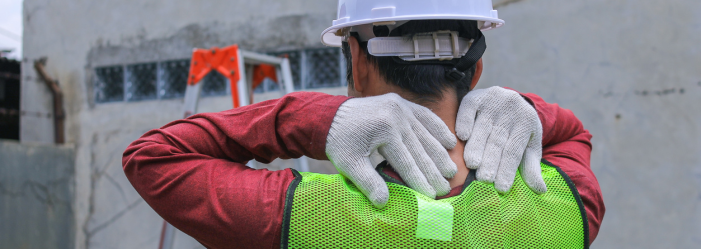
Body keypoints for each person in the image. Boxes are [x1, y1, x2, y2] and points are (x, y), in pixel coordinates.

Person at [123, 0, 604, 248]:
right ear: (476, 70)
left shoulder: (304, 217)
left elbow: (154, 158)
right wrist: (527, 108)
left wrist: (314, 117)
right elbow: (574, 136)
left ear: (355, 62)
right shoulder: (563, 206)